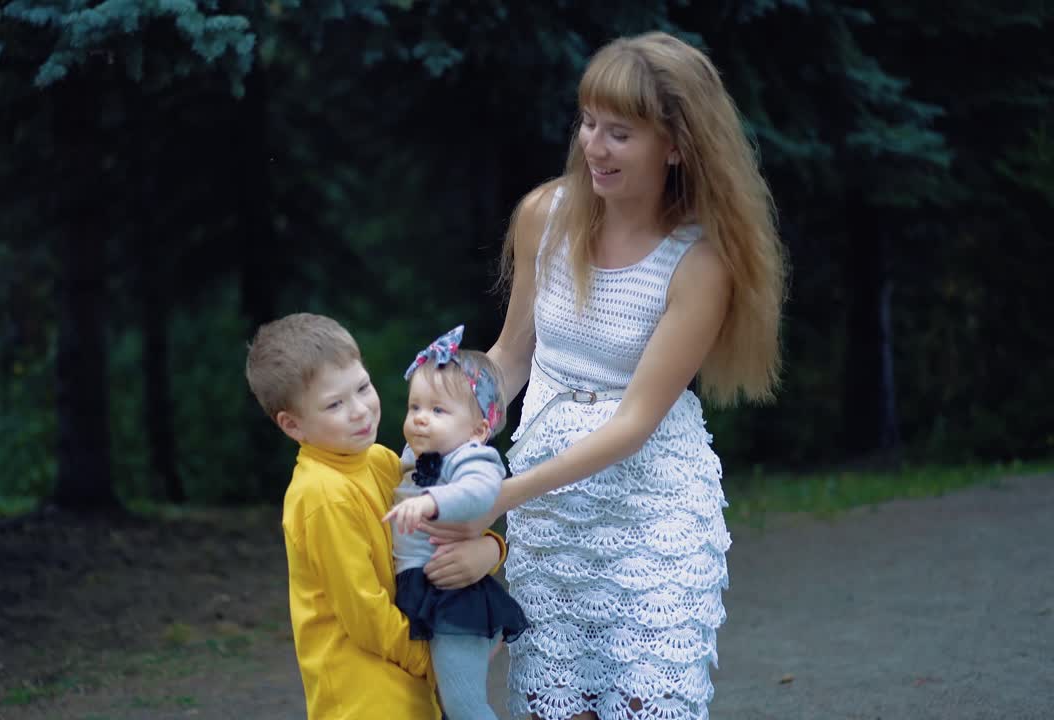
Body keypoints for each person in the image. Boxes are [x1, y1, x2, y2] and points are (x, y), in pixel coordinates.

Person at [422, 32, 786, 720]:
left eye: (620, 133)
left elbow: (634, 425)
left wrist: (501, 494)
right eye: (588, 123)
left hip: (653, 506)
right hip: (553, 513)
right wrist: (440, 406)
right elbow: (511, 357)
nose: (594, 145)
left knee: (653, 702)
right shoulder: (543, 217)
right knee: (562, 707)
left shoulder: (699, 262)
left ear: (675, 145)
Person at [244, 312, 509, 720]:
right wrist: (433, 662)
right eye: (335, 404)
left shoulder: (381, 461)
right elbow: (364, 612)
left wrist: (491, 549)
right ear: (293, 425)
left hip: (407, 684)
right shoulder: (321, 494)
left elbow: (448, 522)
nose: (360, 411)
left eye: (362, 388)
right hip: (362, 695)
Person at [382, 325, 530, 720]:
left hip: (453, 600)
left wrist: (433, 500)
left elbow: (481, 493)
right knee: (435, 701)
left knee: (463, 705)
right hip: (423, 586)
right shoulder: (414, 456)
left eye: (438, 410)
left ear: (478, 430)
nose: (421, 420)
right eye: (415, 407)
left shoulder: (472, 459)